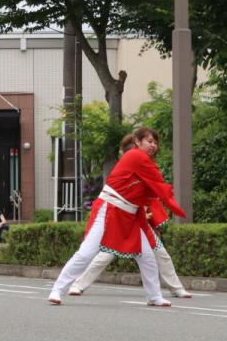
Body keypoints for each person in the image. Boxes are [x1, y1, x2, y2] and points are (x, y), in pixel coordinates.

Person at [48, 126, 185, 308]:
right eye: (149, 141)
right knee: (87, 252)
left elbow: (150, 191)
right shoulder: (136, 156)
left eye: (155, 143)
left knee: (147, 256)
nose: (154, 146)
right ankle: (57, 289)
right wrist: (172, 201)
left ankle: (154, 296)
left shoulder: (142, 161)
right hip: (110, 210)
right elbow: (158, 184)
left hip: (130, 216)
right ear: (138, 142)